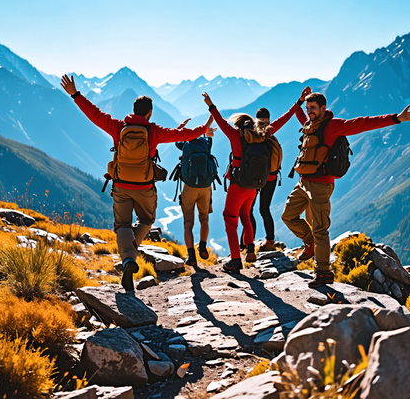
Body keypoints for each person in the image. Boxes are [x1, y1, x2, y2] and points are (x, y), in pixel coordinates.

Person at [60, 74, 213, 291]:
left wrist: (75, 94)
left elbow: (94, 115)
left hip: (121, 185)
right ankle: (131, 253)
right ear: (150, 113)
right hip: (145, 187)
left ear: (133, 110)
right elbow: (183, 135)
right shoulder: (154, 131)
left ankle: (128, 259)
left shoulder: (118, 127)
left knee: (122, 225)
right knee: (147, 220)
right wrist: (204, 128)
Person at [281, 88, 410, 288]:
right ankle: (310, 243)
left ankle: (323, 273)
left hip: (321, 185)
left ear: (323, 108)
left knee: (321, 230)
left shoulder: (332, 126)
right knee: (288, 216)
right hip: (303, 183)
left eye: (312, 108)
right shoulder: (310, 124)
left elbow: (363, 123)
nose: (309, 111)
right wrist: (299, 100)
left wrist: (396, 118)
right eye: (307, 108)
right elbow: (298, 113)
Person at [203, 88, 309, 273]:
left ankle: (236, 260)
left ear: (239, 126)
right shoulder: (263, 134)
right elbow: (284, 119)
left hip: (238, 185)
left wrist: (211, 106)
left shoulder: (235, 135)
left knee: (230, 219)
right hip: (254, 186)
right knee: (246, 215)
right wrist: (298, 102)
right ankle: (250, 248)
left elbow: (220, 121)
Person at [241, 97, 310, 251]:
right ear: (268, 120)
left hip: (253, 178)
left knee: (248, 211)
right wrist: (298, 101)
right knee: (264, 210)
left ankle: (246, 243)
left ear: (256, 120)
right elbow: (286, 116)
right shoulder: (271, 130)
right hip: (270, 178)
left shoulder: (252, 133)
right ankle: (270, 240)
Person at [175, 126, 217, 266]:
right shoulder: (205, 143)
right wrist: (208, 134)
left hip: (190, 187)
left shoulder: (186, 144)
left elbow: (176, 140)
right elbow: (210, 140)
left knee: (188, 223)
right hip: (205, 187)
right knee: (204, 218)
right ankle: (203, 246)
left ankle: (191, 256)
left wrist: (180, 128)